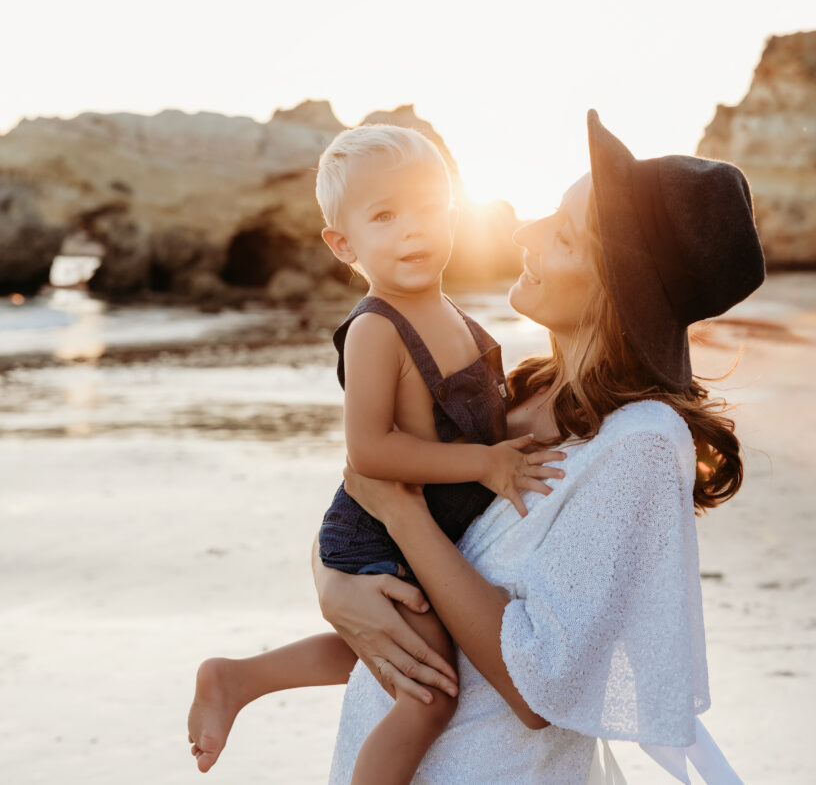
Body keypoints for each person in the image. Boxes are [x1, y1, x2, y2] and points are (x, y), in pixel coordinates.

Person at [314, 110, 766, 784]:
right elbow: (371, 491)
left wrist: (404, 518)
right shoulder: (525, 388)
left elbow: (537, 687)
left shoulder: (639, 443)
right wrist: (332, 585)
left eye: (559, 235)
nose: (523, 233)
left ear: (616, 284)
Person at [186, 124, 566, 782]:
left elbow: (479, 423)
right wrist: (486, 463)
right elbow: (369, 449)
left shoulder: (459, 318)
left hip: (426, 527)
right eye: (384, 216)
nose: (411, 229)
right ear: (344, 244)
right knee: (429, 691)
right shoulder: (375, 328)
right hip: (372, 533)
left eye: (426, 209)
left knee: (391, 649)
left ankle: (238, 675)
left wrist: (507, 442)